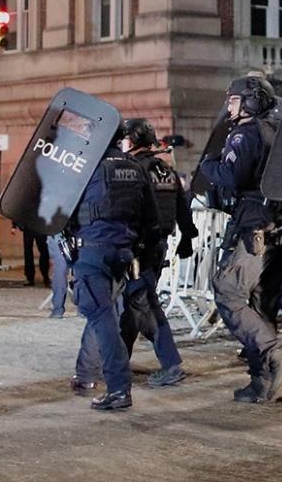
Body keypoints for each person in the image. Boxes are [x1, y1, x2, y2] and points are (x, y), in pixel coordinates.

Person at [199, 76, 282, 404]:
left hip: (253, 224)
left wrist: (208, 166)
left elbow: (232, 177)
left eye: (233, 100)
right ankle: (262, 381)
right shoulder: (275, 132)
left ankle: (275, 354)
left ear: (252, 101)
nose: (228, 106)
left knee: (228, 291)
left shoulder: (246, 133)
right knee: (261, 302)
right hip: (275, 226)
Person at [66, 132, 159, 411]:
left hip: (92, 251)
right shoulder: (134, 167)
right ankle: (93, 378)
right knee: (107, 317)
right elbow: (151, 218)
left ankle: (119, 388)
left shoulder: (87, 165)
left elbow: (62, 208)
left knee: (102, 321)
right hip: (122, 253)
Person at [118, 117, 196, 388]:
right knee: (132, 304)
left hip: (139, 246)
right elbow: (182, 207)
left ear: (135, 139)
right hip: (159, 244)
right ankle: (118, 360)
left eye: (125, 137)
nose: (121, 142)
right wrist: (188, 236)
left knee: (143, 302)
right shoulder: (166, 170)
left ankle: (171, 363)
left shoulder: (134, 168)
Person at [19, 224, 50, 288]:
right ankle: (32, 277)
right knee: (30, 251)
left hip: (37, 225)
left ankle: (43, 275)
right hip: (32, 225)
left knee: (43, 251)